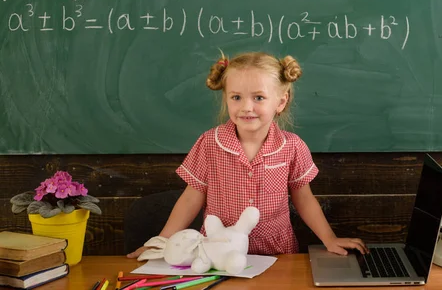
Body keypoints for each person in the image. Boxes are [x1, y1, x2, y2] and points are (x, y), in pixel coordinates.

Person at [127, 51, 367, 258]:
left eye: (259, 97)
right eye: (236, 97)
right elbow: (191, 197)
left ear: (281, 101)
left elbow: (303, 198)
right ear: (226, 99)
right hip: (216, 251)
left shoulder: (293, 147)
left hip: (277, 252)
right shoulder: (210, 143)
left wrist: (330, 239)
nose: (246, 107)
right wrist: (162, 241)